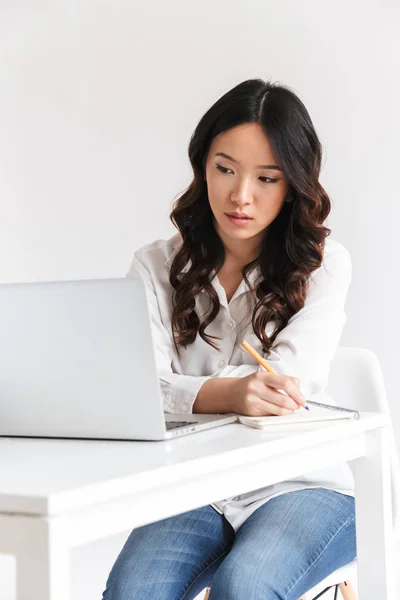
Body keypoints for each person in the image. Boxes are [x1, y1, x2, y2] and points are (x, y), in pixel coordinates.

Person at [102, 79, 356, 600]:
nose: (241, 195)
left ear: (293, 186)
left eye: (267, 178)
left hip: (303, 484)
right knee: (133, 593)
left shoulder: (324, 266)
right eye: (225, 169)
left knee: (246, 587)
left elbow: (285, 388)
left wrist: (191, 395)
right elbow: (136, 391)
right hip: (196, 488)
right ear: (202, 165)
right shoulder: (153, 266)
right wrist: (230, 394)